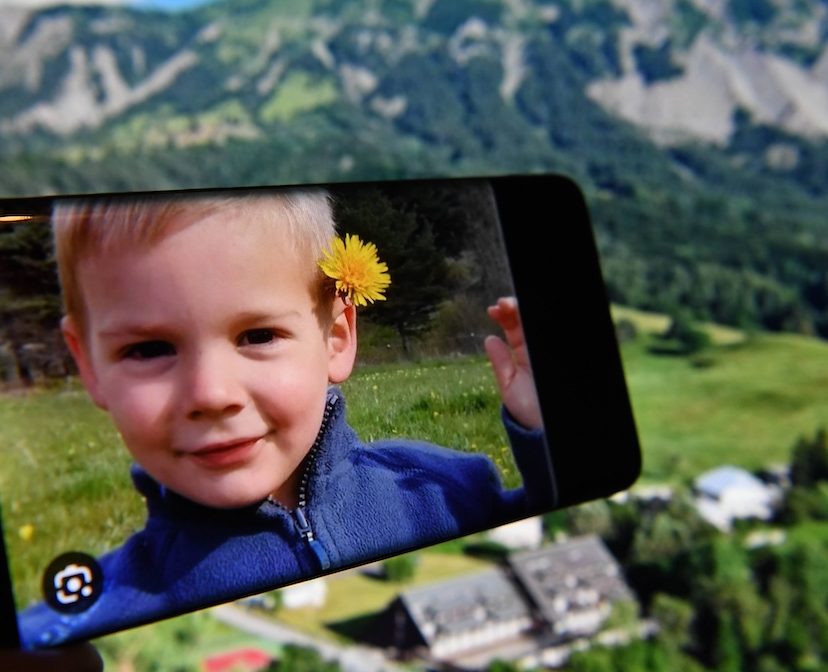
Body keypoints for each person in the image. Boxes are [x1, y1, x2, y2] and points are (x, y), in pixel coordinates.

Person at [19, 188, 554, 649]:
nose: (211, 394)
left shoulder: (446, 490)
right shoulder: (101, 614)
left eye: (258, 336)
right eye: (149, 349)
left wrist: (547, 433)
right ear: (89, 365)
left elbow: (551, 541)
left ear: (336, 337)